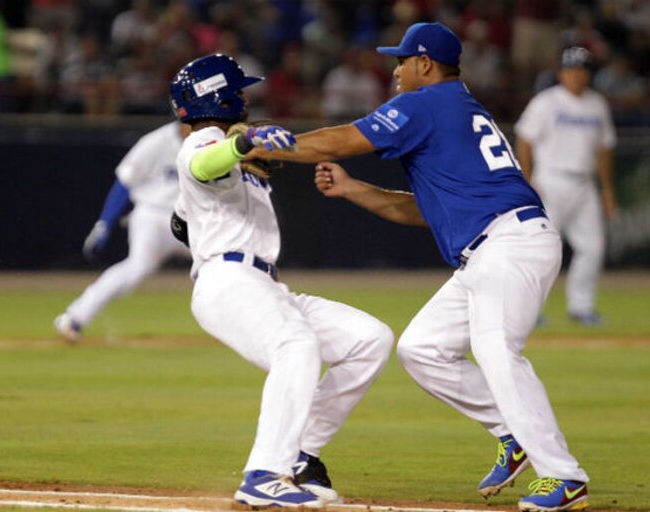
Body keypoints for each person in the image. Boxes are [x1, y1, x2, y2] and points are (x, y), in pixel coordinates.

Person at [250, 22, 590, 512]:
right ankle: (511, 432)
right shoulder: (455, 109)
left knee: (496, 350)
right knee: (422, 349)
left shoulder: (426, 102)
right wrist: (352, 189)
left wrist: (269, 143)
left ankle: (563, 475)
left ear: (425, 64)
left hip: (509, 243)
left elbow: (341, 139)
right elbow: (422, 211)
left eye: (402, 60)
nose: (396, 70)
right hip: (494, 245)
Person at [168, 54, 394, 508]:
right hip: (228, 279)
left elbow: (179, 223)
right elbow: (202, 164)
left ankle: (297, 455)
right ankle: (263, 474)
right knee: (296, 346)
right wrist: (241, 145)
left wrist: (238, 156)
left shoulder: (237, 150)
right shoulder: (206, 141)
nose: (248, 99)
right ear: (222, 96)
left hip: (264, 284)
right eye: (241, 91)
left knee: (369, 339)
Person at [54, 121, 191, 343]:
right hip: (153, 216)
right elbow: (124, 182)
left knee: (221, 265)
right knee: (136, 268)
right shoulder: (156, 142)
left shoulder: (209, 139)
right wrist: (104, 223)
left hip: (192, 219)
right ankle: (74, 317)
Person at [515, 46, 617, 327]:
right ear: (561, 73)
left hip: (585, 183)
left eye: (582, 70)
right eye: (571, 70)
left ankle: (581, 307)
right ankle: (528, 310)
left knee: (593, 247)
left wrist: (607, 190)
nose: (576, 75)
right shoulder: (546, 102)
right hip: (551, 180)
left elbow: (604, 149)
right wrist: (527, 178)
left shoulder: (597, 104)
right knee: (542, 250)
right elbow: (524, 140)